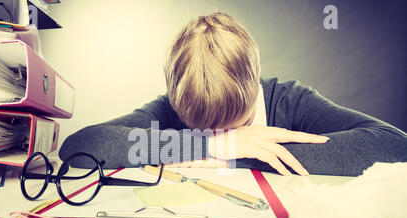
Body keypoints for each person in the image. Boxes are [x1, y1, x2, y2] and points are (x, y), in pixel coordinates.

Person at [59, 12, 407, 177]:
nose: (223, 135)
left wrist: (252, 151)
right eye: (206, 131)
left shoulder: (290, 101)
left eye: (234, 127)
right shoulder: (170, 107)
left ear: (254, 85)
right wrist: (213, 147)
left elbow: (395, 144)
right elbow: (80, 145)